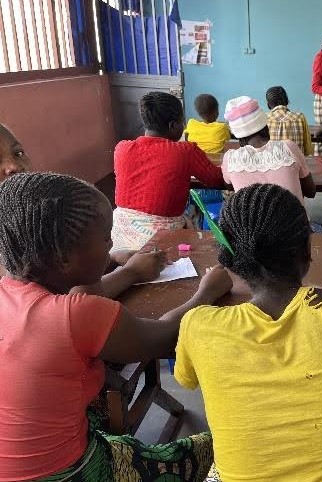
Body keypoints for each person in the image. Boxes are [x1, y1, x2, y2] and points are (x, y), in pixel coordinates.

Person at [0, 172, 232, 481]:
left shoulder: (13, 292)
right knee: (220, 447)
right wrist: (207, 292)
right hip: (71, 473)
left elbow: (75, 293)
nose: (112, 244)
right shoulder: (77, 315)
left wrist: (118, 264)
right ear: (65, 259)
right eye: (106, 238)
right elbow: (166, 336)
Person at [174, 183, 322, 482]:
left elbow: (186, 379)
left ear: (229, 259)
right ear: (307, 251)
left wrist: (202, 295)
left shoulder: (199, 327)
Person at [0, 122, 168, 293]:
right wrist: (132, 273)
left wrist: (112, 259)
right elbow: (69, 304)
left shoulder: (37, 212)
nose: (14, 166)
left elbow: (53, 270)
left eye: (18, 153)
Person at [112, 92, 225, 251]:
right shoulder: (185, 151)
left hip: (119, 239)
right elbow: (216, 179)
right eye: (182, 121)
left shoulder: (122, 148)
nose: (184, 126)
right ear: (173, 125)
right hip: (159, 241)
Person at [221, 96, 315, 205]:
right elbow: (310, 192)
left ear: (238, 136)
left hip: (253, 222)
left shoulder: (231, 160)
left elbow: (229, 185)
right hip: (294, 221)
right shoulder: (288, 148)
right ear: (266, 125)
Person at [266, 86, 313, 156]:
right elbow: (308, 150)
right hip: (297, 166)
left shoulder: (264, 119)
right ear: (287, 101)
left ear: (268, 104)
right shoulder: (300, 117)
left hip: (271, 166)